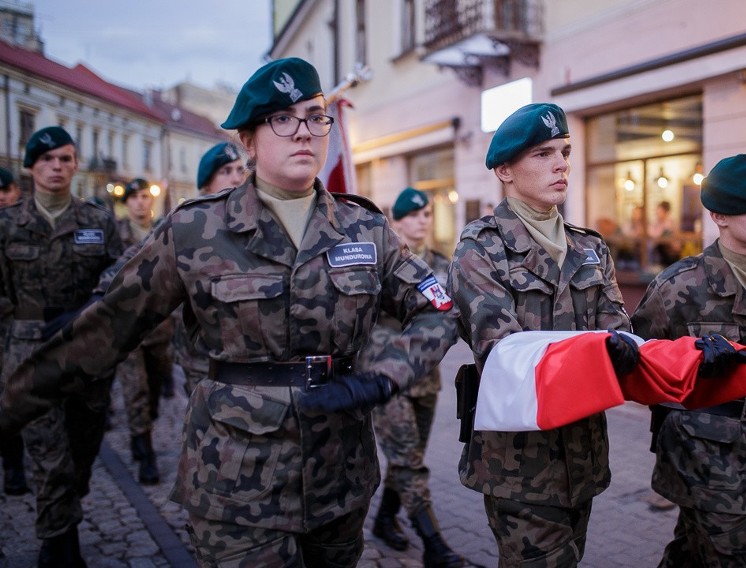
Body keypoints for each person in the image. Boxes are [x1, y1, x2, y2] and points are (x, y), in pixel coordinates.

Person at [0, 57, 457, 567]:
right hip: (238, 483)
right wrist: (10, 407)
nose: (304, 131)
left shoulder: (364, 229)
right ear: (248, 139)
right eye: (282, 119)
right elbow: (107, 329)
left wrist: (385, 375)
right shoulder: (196, 231)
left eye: (315, 115)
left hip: (340, 476)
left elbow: (438, 307)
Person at [447, 103, 638, 566]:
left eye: (565, 152)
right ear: (505, 170)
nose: (561, 164)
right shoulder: (481, 248)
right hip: (518, 463)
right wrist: (599, 354)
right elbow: (504, 353)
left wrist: (637, 352)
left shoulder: (590, 247)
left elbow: (619, 330)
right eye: (542, 154)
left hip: (583, 452)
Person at [631, 153, 746, 567]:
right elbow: (636, 359)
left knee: (690, 551)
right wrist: (689, 368)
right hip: (697, 448)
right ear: (720, 215)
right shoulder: (680, 285)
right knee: (735, 554)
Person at [0, 126, 123, 566]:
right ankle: (59, 543)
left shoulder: (97, 220)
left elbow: (119, 273)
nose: (57, 167)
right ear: (30, 165)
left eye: (66, 159)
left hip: (85, 351)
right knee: (48, 455)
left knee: (83, 450)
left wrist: (94, 303)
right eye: (48, 159)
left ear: (75, 165)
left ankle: (64, 515)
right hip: (30, 354)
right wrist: (20, 320)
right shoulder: (7, 224)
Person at [368, 187, 463, 567]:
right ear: (398, 221)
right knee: (407, 457)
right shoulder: (379, 262)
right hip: (385, 375)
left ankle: (383, 518)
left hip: (426, 378)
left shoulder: (441, 264)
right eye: (415, 214)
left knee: (409, 455)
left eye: (427, 214)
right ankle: (434, 543)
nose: (424, 220)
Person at [113, 177, 175, 485]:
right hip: (126, 326)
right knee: (134, 387)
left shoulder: (164, 231)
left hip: (158, 325)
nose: (140, 202)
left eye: (144, 196)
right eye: (134, 198)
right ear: (126, 204)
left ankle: (144, 426)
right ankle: (145, 448)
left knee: (153, 386)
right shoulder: (117, 234)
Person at [172, 142, 246, 397]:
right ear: (206, 184)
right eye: (226, 172)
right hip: (203, 359)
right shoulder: (187, 225)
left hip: (251, 362)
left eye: (240, 170)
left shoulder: (257, 222)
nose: (237, 178)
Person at [0, 165, 26, 496]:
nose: (1, 198)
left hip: (20, 327)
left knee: (13, 396)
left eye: (6, 191)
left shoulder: (23, 228)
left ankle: (14, 462)